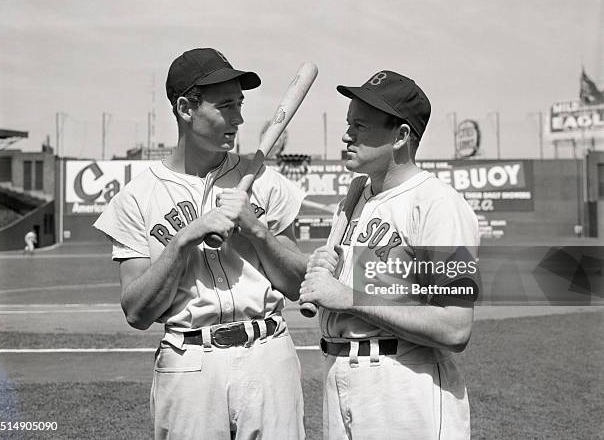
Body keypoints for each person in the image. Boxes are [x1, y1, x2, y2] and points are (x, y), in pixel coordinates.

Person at [94, 48, 307, 439]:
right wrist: (183, 241)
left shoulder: (264, 181)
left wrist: (256, 229)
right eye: (225, 106)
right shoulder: (137, 197)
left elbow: (297, 285)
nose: (238, 118)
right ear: (186, 108)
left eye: (240, 105)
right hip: (189, 362)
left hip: (268, 354)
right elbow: (137, 312)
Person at [299, 71, 480, 439]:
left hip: (403, 383)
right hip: (339, 374)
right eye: (349, 123)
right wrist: (324, 271)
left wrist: (348, 298)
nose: (347, 135)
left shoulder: (437, 205)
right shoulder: (354, 198)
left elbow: (455, 327)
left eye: (361, 126)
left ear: (401, 136)